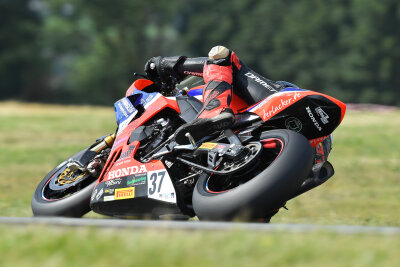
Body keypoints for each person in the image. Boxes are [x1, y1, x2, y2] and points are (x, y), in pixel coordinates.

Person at [145, 45, 283, 144]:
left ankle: (214, 110)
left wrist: (163, 65)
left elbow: (218, 59)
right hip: (291, 142)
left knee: (220, 55)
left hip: (279, 99)